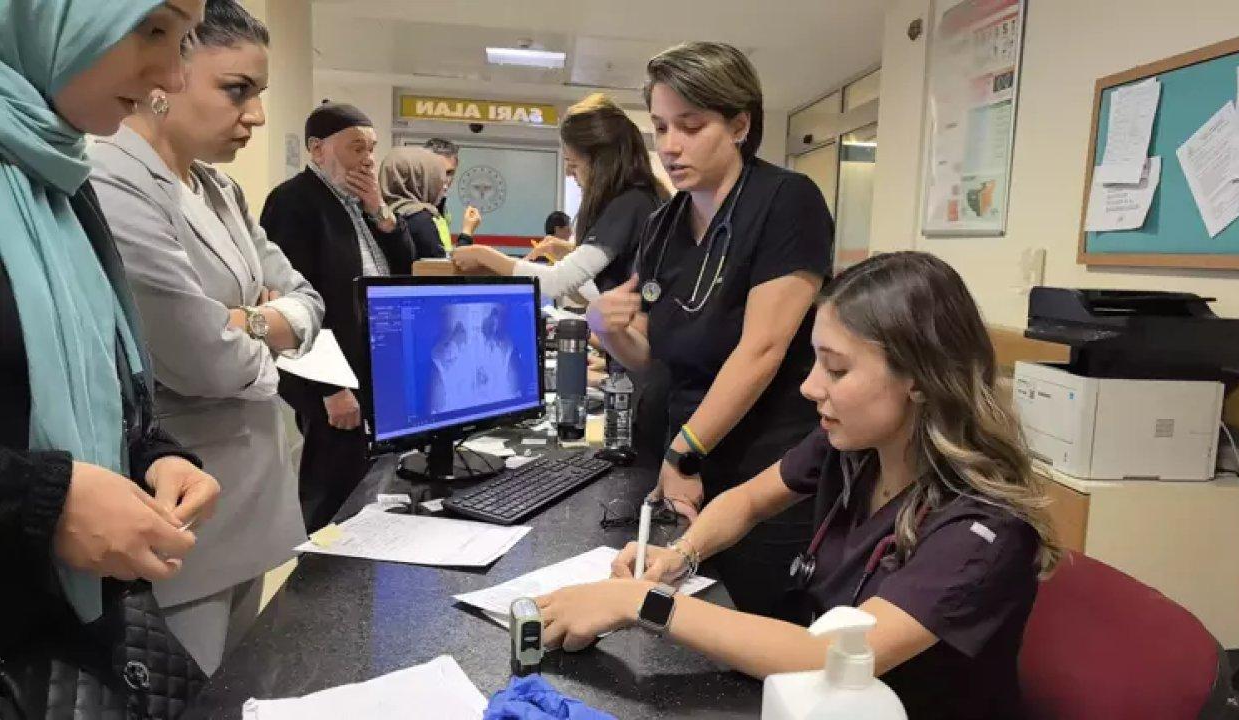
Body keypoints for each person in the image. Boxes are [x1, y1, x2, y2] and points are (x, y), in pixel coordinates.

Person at [539, 252, 1063, 720]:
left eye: (836, 369)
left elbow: (829, 656)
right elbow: (747, 502)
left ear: (920, 380)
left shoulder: (981, 532)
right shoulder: (853, 448)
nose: (810, 387)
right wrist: (680, 556)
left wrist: (641, 602)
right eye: (815, 361)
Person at [88, 0, 323, 674]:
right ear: (171, 73)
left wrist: (244, 321)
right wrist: (263, 330)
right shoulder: (113, 181)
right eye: (236, 90)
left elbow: (307, 300)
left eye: (258, 93)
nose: (256, 115)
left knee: (246, 687)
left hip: (254, 497)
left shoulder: (220, 190)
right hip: (183, 509)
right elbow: (204, 362)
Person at [0, 0, 216, 661]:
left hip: (69, 639)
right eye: (151, 28)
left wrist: (154, 456)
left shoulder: (60, 177)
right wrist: (46, 500)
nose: (172, 77)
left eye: (182, 41)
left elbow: (96, 374)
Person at [585, 42, 833, 617]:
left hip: (762, 471)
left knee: (750, 629)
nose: (670, 145)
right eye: (660, 127)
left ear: (740, 126)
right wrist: (607, 327)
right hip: (682, 471)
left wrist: (685, 452)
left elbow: (762, 349)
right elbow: (652, 355)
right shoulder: (663, 225)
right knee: (675, 628)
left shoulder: (786, 201)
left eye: (691, 126)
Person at [260, 102, 413, 531]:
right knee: (333, 483)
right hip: (330, 372)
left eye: (372, 149)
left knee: (368, 479)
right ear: (317, 149)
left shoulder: (359, 202)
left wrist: (380, 211)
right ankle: (324, 566)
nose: (367, 159)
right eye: (355, 148)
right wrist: (331, 387)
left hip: (370, 365)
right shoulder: (295, 202)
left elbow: (405, 269)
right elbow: (296, 301)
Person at [452, 94, 668, 300]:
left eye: (573, 164)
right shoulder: (640, 198)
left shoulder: (629, 203)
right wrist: (568, 256)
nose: (568, 172)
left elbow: (556, 283)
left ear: (602, 163)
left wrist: (483, 255)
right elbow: (599, 293)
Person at [379, 145, 482, 259]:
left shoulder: (380, 214)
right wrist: (467, 233)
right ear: (419, 178)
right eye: (434, 173)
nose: (443, 179)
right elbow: (441, 267)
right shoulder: (420, 219)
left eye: (449, 173)